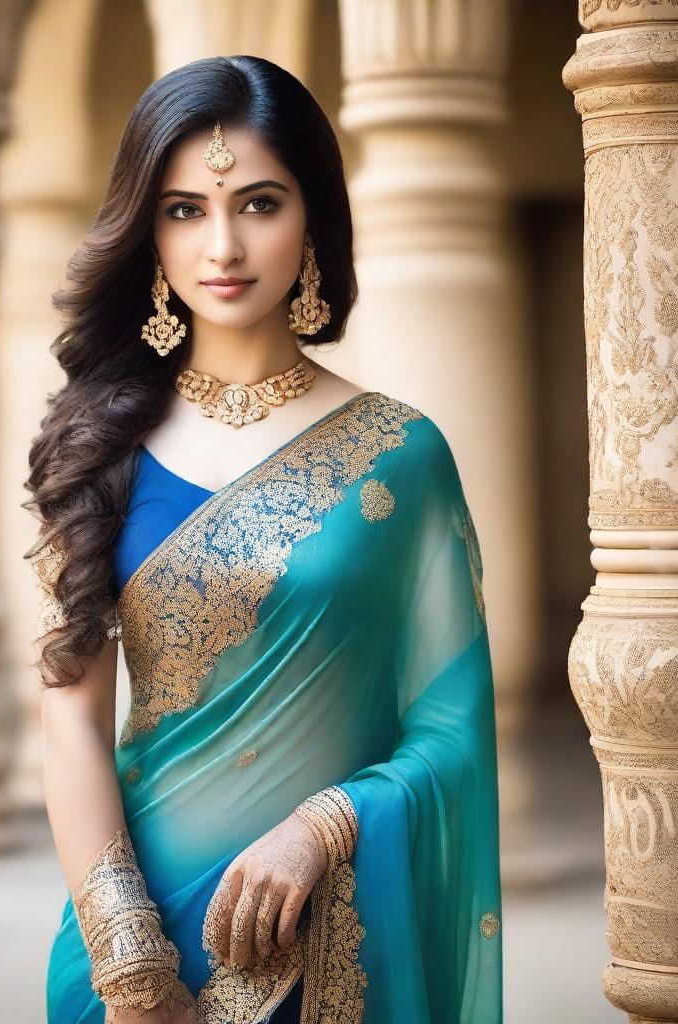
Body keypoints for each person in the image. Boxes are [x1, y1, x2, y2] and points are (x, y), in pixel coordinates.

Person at [24, 54, 502, 1024]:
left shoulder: (399, 456)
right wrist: (131, 968)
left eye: (259, 202)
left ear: (313, 217)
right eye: (186, 209)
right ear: (148, 230)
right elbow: (69, 719)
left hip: (324, 939)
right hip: (131, 944)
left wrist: (325, 825)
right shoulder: (101, 446)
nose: (224, 245)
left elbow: (451, 731)